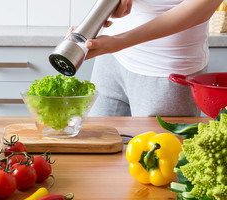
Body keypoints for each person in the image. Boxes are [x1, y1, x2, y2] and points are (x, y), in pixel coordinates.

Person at [81, 0, 224, 117]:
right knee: (100, 147)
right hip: (111, 58)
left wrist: (119, 42)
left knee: (160, 150)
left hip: (165, 69)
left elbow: (203, 7)